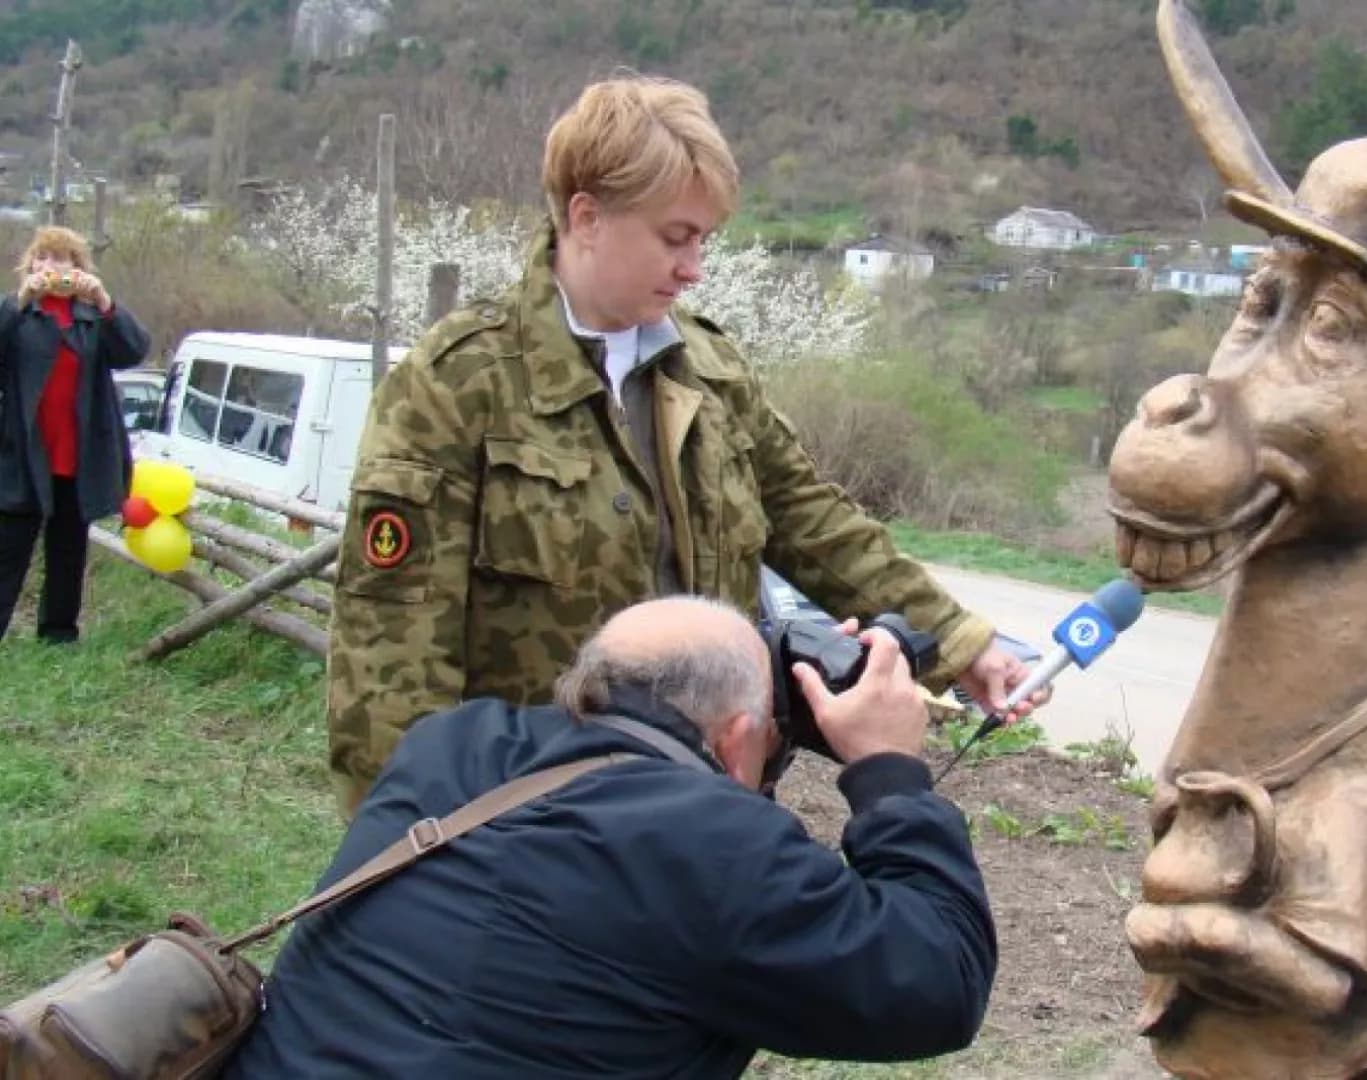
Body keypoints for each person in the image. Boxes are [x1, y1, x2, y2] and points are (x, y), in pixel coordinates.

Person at [326, 73, 1037, 812]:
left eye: (704, 239)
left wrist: (959, 641)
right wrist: (408, 849)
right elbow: (391, 659)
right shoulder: (458, 386)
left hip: (710, 807)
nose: (694, 267)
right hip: (532, 824)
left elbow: (815, 524)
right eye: (675, 237)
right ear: (588, 215)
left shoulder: (712, 371)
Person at [225, 596, 996, 1078]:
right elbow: (940, 983)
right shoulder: (723, 850)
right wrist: (888, 770)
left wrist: (761, 735)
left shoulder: (448, 747)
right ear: (738, 739)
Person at [0, 226, 151, 643]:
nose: (50, 267)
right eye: (42, 258)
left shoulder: (92, 319)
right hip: (25, 453)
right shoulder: (17, 312)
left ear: (79, 269)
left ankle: (58, 633)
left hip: (77, 454)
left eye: (61, 259)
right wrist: (18, 303)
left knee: (68, 548)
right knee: (9, 548)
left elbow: (135, 351)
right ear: (30, 265)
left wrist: (106, 303)